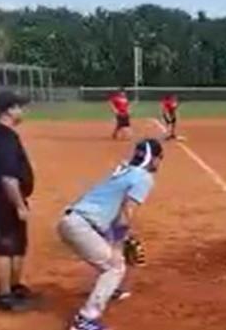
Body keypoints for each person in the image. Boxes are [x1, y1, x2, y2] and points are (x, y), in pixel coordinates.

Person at [58, 139, 164, 330]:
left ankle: (108, 289)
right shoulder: (144, 177)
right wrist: (117, 245)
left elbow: (115, 214)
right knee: (114, 267)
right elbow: (126, 212)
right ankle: (85, 320)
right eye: (159, 159)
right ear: (154, 159)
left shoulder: (124, 171)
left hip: (74, 221)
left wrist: (120, 240)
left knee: (112, 257)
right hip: (81, 226)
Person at [0, 91, 36, 311]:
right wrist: (19, 205)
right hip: (3, 201)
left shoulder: (4, 134)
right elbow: (7, 178)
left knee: (17, 246)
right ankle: (3, 296)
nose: (21, 111)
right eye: (18, 107)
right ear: (8, 110)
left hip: (10, 199)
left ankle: (14, 287)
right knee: (4, 247)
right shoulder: (2, 137)